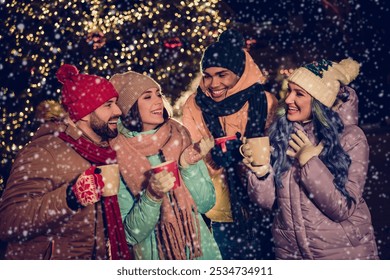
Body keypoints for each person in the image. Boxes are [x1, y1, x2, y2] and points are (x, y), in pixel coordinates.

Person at [243, 58, 379, 259]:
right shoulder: (281, 134)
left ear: (319, 101)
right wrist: (261, 172)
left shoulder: (351, 138)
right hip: (292, 255)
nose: (288, 99)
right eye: (289, 91)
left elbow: (342, 208)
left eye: (299, 94)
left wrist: (310, 163)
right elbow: (269, 202)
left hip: (342, 254)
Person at [0, 64, 123, 259]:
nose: (118, 111)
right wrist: (69, 198)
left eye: (115, 103)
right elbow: (8, 221)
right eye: (108, 105)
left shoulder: (102, 153)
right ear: (83, 112)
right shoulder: (46, 152)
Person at [181, 29, 278, 259]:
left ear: (239, 72)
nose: (213, 83)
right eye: (207, 75)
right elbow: (191, 159)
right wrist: (212, 158)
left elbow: (277, 154)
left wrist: (247, 155)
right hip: (222, 209)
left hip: (264, 205)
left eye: (222, 74)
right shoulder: (195, 105)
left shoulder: (263, 101)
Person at [109, 71, 222, 260]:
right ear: (128, 107)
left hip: (199, 250)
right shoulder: (116, 152)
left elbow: (206, 204)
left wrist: (188, 166)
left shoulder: (179, 134)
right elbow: (130, 234)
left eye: (158, 94)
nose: (158, 101)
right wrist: (152, 196)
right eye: (147, 96)